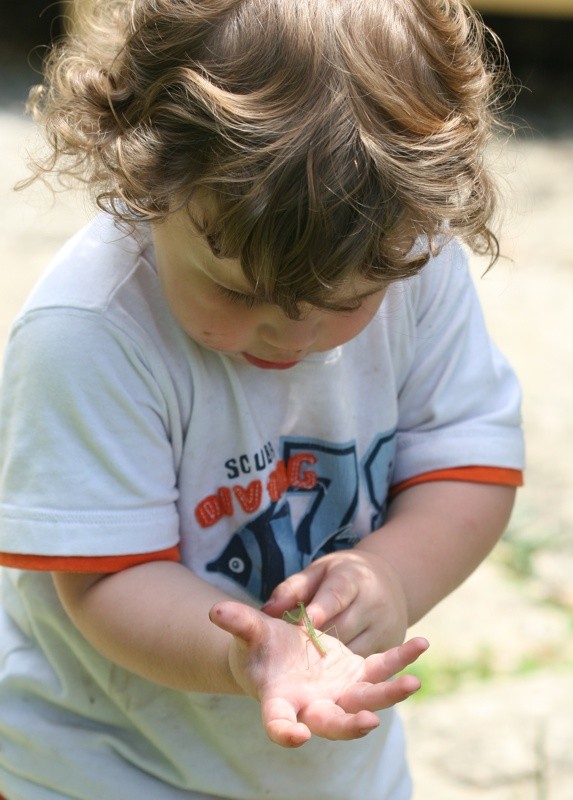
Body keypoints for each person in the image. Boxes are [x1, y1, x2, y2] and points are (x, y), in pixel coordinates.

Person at [0, 0, 524, 798]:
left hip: (329, 761)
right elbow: (105, 580)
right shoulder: (88, 334)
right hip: (108, 760)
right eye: (238, 291)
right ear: (147, 177)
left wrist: (390, 575)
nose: (293, 335)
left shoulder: (408, 254)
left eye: (344, 302)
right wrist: (248, 655)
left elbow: (468, 462)